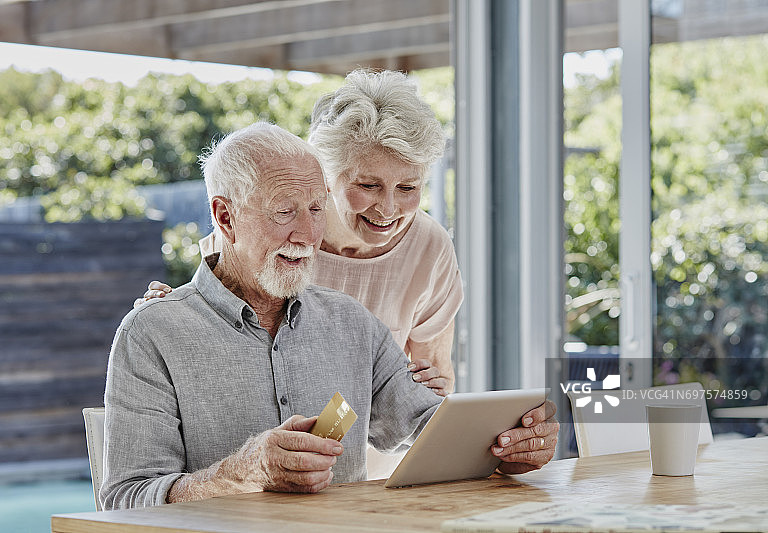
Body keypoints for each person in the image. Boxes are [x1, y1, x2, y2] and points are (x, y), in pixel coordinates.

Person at [102, 123, 559, 510]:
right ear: (225, 216)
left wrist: (508, 448)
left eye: (317, 209)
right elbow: (125, 498)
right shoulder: (153, 334)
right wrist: (243, 472)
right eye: (284, 211)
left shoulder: (351, 323)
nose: (306, 234)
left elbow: (427, 427)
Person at [137, 69, 461, 399]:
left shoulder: (430, 248)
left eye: (408, 187)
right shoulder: (268, 235)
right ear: (327, 176)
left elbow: (435, 389)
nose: (389, 209)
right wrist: (171, 320)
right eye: (368, 185)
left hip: (381, 448)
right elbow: (216, 355)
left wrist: (423, 396)